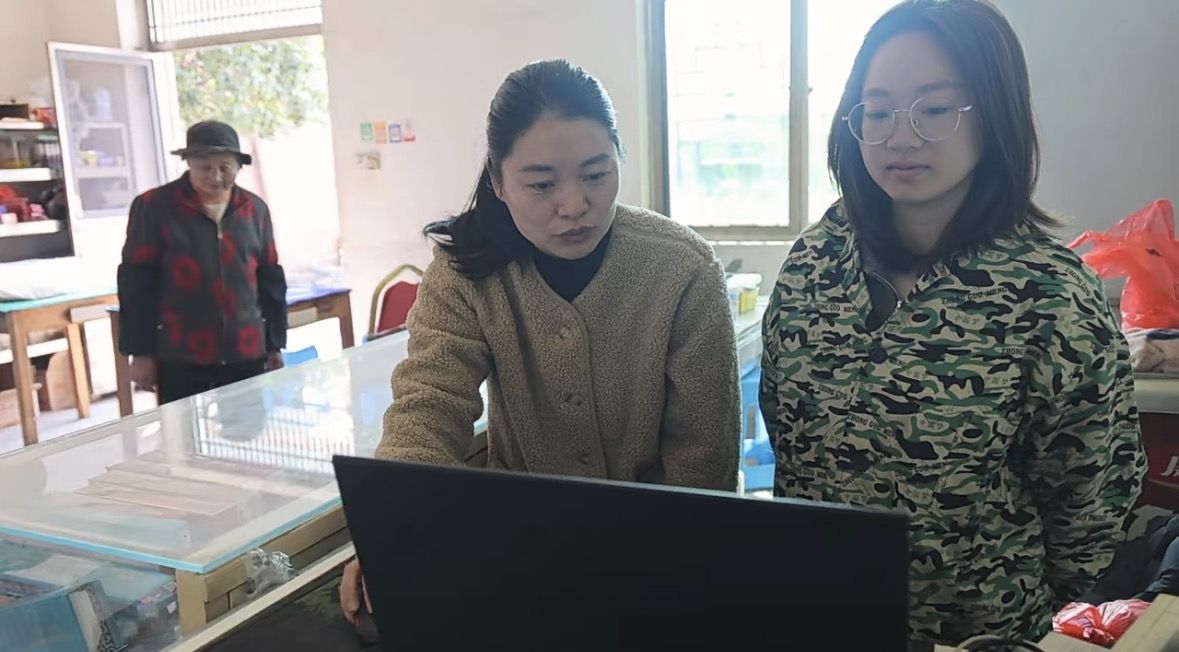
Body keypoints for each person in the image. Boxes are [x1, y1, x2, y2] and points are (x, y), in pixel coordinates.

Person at [760, 0, 1146, 645]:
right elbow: (786, 437)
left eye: (935, 109)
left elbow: (1089, 510)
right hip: (818, 615)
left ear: (994, 112)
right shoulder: (815, 261)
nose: (900, 137)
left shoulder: (1049, 294)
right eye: (877, 111)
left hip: (975, 634)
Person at [340, 59, 741, 626]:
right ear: (499, 181)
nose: (573, 205)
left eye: (596, 175)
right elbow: (429, 403)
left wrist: (670, 577)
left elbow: (703, 459)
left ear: (619, 159)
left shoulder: (682, 270)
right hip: (518, 554)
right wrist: (391, 529)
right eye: (542, 184)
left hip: (657, 558)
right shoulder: (465, 273)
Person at [118, 120, 287, 404]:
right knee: (183, 430)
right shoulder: (154, 206)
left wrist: (275, 344)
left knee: (246, 428)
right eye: (205, 167)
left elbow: (270, 279)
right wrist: (141, 353)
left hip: (244, 347)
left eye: (225, 167)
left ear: (239, 166)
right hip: (180, 350)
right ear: (189, 164)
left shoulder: (254, 209)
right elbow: (136, 284)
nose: (216, 176)